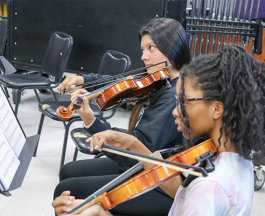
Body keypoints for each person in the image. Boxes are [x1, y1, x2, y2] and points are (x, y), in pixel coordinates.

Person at [53, 44, 265, 216]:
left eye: (184, 102)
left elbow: (196, 193)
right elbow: (182, 190)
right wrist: (135, 146)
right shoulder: (232, 156)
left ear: (217, 109)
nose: (175, 111)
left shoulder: (209, 188)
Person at [53, 17, 191, 216]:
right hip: (145, 164)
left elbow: (138, 150)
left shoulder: (172, 96)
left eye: (151, 48)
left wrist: (92, 122)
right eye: (143, 49)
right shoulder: (162, 78)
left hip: (158, 178)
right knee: (68, 171)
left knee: (66, 189)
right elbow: (120, 81)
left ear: (172, 49)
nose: (144, 56)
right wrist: (84, 79)